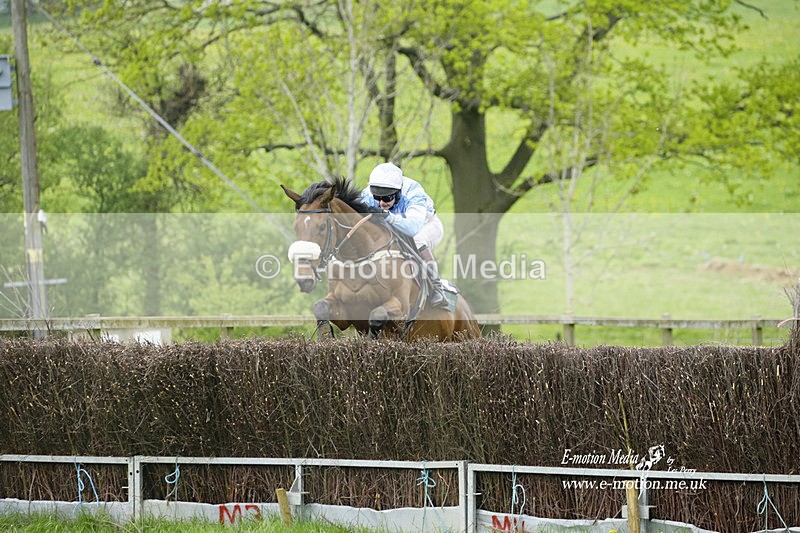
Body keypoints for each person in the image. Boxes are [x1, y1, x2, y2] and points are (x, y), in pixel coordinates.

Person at [360, 162, 450, 309]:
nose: (381, 202)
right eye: (377, 197)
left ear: (398, 193)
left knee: (417, 238)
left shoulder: (414, 192)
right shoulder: (367, 194)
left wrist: (388, 216)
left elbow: (412, 228)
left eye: (387, 198)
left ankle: (436, 286)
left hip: (426, 226)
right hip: (394, 228)